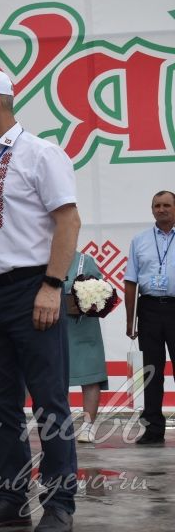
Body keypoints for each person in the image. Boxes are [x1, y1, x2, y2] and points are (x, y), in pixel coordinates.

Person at [0, 66, 80, 532]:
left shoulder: (40, 153)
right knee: (1, 403)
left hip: (32, 288)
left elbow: (68, 222)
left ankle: (60, 503)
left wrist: (52, 285)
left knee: (49, 401)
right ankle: (10, 499)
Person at [124, 190, 175, 445]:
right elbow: (131, 281)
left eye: (167, 205)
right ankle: (154, 429)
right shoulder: (140, 240)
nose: (161, 209)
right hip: (149, 310)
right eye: (157, 205)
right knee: (151, 372)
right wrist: (129, 319)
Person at [63, 251, 109, 444]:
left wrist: (90, 295)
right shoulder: (39, 259)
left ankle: (88, 427)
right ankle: (62, 426)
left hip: (84, 326)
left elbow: (103, 292)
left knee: (90, 377)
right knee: (57, 378)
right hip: (53, 324)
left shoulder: (85, 260)